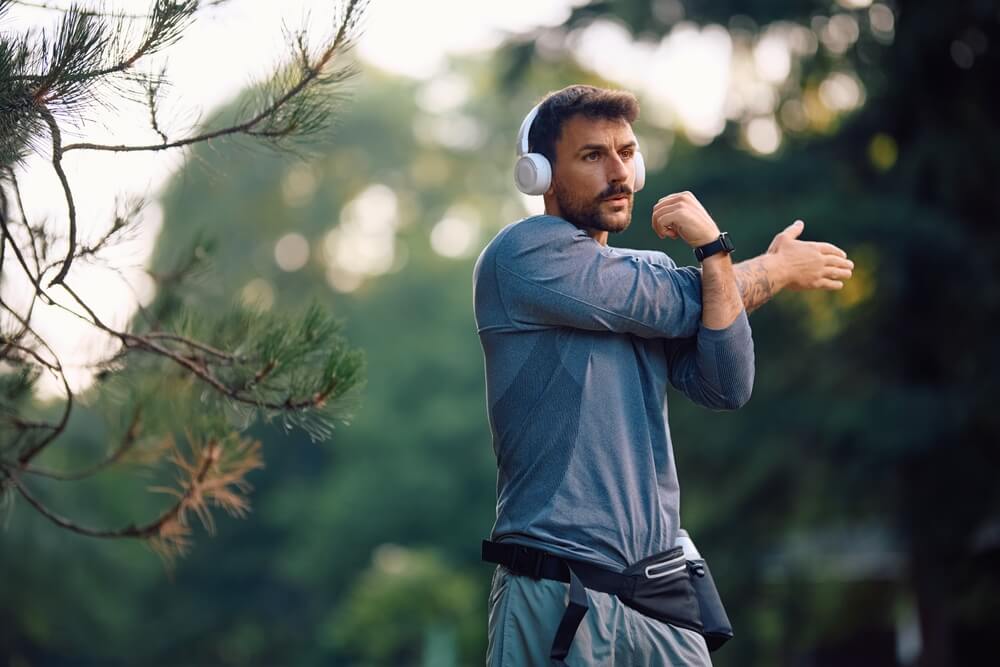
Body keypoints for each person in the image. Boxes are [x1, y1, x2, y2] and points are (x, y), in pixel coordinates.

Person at [472, 84, 854, 666]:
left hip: (661, 593)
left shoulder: (647, 270)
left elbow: (725, 384)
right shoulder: (522, 257)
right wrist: (767, 268)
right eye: (592, 156)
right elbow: (679, 303)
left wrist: (714, 257)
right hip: (557, 588)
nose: (618, 172)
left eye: (626, 153)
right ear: (540, 174)